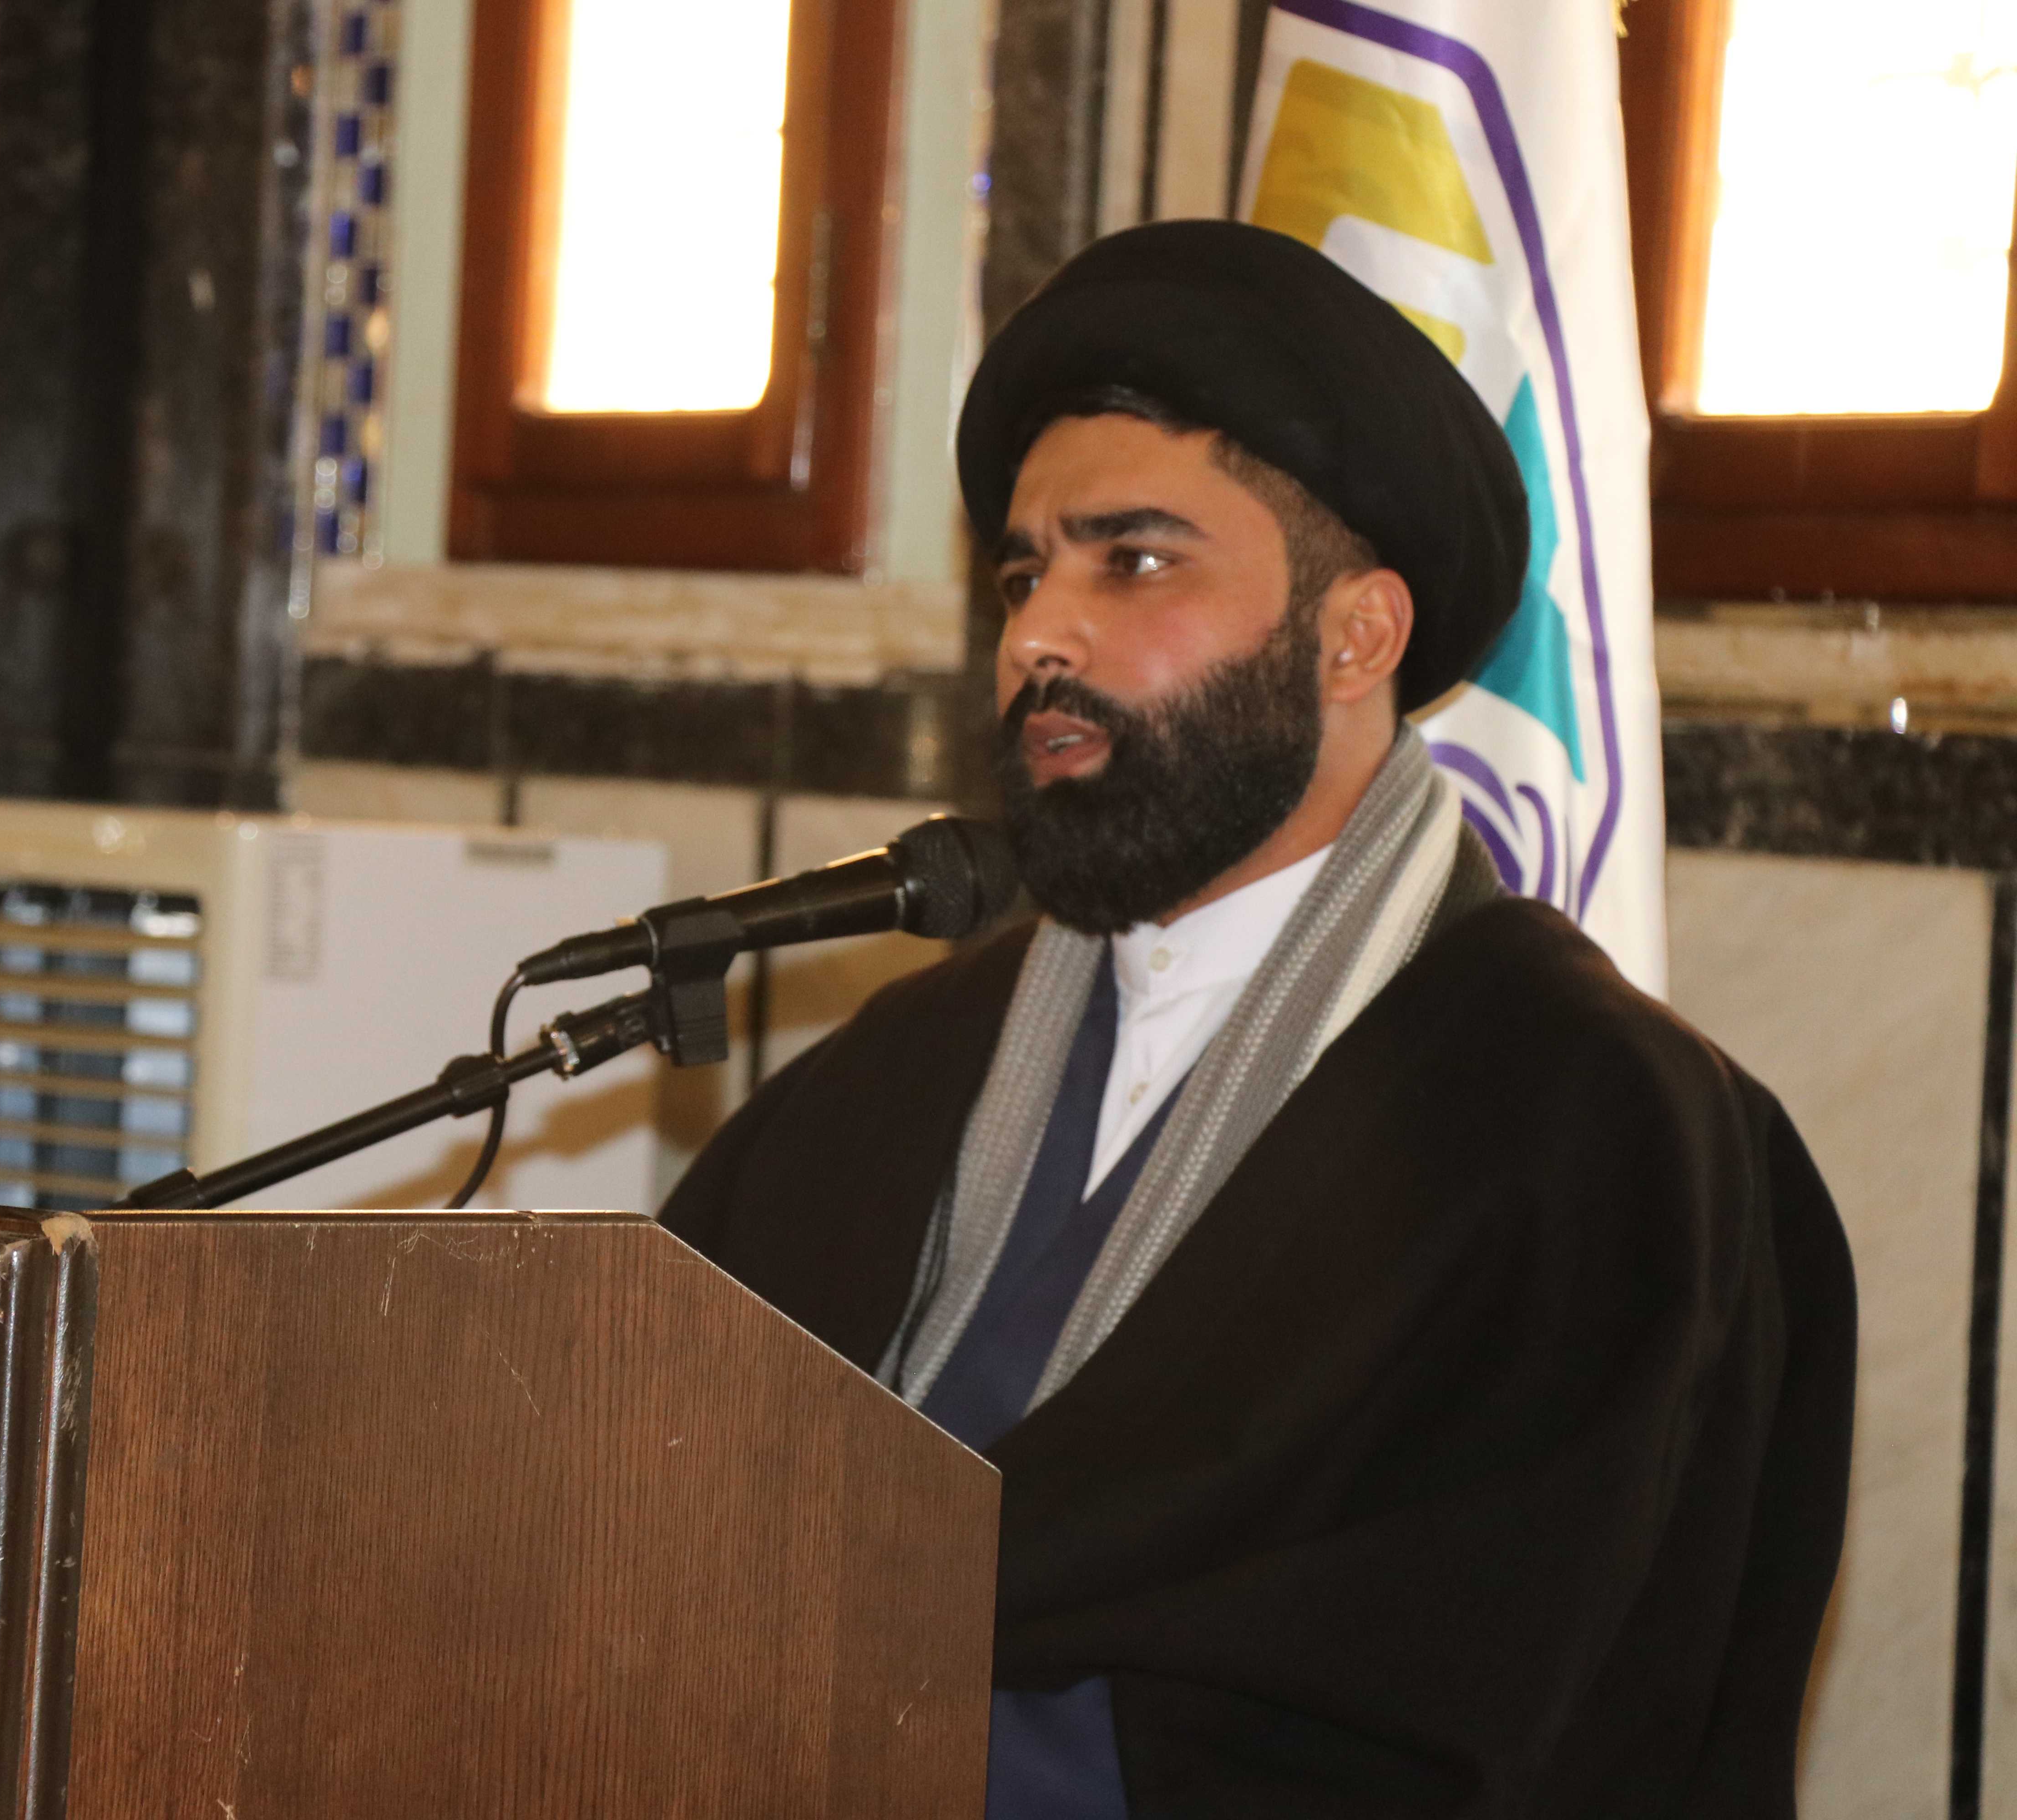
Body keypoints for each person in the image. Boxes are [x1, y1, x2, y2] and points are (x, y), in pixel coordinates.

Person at [658, 220, 1855, 1817]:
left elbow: (1497, 1715)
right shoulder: (897, 1074)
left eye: (1134, 561)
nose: (1039, 636)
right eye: (1024, 574)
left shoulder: (1591, 1130)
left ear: (1356, 637)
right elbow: (641, 1511)